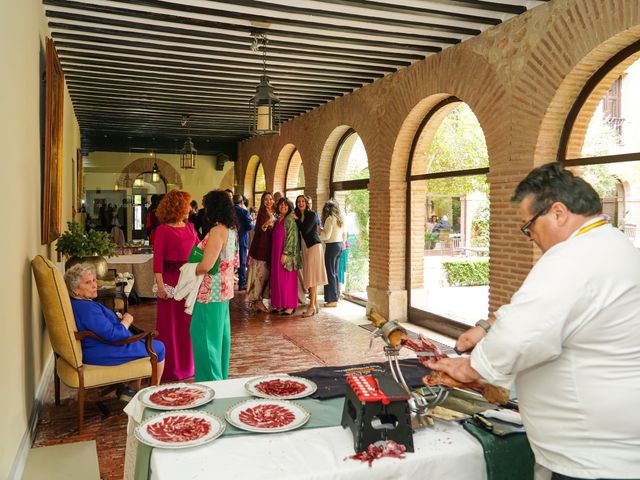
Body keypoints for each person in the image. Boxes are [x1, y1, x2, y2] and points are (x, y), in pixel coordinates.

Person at [427, 163, 640, 480]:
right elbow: (546, 310)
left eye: (528, 226)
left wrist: (470, 368)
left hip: (593, 456)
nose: (529, 237)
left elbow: (520, 337)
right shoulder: (609, 245)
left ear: (558, 213)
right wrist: (487, 326)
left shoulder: (572, 258)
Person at [65, 263, 165, 400]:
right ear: (75, 289)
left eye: (94, 280)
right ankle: (155, 395)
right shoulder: (87, 309)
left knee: (140, 340)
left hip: (98, 346)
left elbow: (101, 327)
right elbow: (115, 335)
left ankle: (131, 390)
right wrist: (127, 320)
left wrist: (114, 318)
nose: (94, 285)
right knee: (158, 347)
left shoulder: (78, 303)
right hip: (103, 350)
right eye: (88, 283)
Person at [192, 190, 239, 381]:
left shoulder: (217, 231)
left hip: (209, 292)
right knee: (220, 339)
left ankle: (211, 385)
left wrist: (188, 268)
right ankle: (219, 380)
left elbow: (206, 265)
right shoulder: (231, 230)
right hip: (224, 291)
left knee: (205, 339)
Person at [152, 190, 199, 381]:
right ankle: (169, 368)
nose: (189, 208)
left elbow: (199, 251)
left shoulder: (190, 228)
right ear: (178, 206)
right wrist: (161, 287)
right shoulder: (163, 230)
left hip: (188, 283)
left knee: (187, 327)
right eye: (186, 205)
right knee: (169, 328)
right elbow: (157, 262)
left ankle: (189, 366)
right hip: (170, 285)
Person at [295, 195, 327, 317]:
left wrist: (296, 220)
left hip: (313, 247)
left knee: (312, 277)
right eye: (298, 201)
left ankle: (311, 306)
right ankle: (314, 304)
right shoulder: (299, 216)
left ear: (307, 203)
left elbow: (306, 230)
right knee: (309, 276)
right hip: (305, 248)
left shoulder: (312, 214)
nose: (301, 203)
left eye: (303, 201)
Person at [270, 197, 301, 315]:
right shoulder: (279, 219)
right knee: (279, 279)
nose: (283, 207)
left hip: (285, 254)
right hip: (276, 252)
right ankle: (281, 303)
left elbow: (291, 238)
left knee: (287, 279)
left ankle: (290, 305)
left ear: (289, 207)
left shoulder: (290, 219)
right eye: (281, 205)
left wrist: (285, 254)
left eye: (286, 205)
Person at [246, 192, 275, 313]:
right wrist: (268, 223)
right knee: (259, 275)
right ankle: (256, 301)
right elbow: (261, 228)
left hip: (269, 248)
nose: (268, 201)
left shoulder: (273, 213)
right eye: (265, 200)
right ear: (263, 202)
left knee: (265, 276)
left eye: (270, 199)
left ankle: (259, 300)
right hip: (260, 249)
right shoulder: (262, 214)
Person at [320, 199, 345, 307]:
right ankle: (336, 296)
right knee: (335, 272)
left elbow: (327, 236)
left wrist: (319, 231)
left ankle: (332, 300)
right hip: (339, 245)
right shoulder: (340, 219)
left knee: (330, 272)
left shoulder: (330, 219)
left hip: (331, 246)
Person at [233, 193, 255, 291]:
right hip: (241, 238)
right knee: (242, 261)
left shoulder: (229, 211)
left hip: (230, 239)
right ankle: (242, 283)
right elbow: (249, 226)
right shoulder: (243, 211)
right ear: (242, 202)